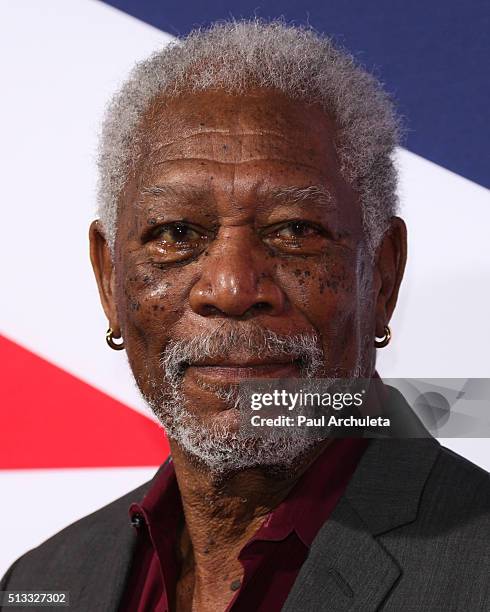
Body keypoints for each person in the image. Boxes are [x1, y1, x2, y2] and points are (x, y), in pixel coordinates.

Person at [1, 20, 488, 612]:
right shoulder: (45, 581)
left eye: (295, 231)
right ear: (110, 282)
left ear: (382, 275)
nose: (231, 289)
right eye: (176, 234)